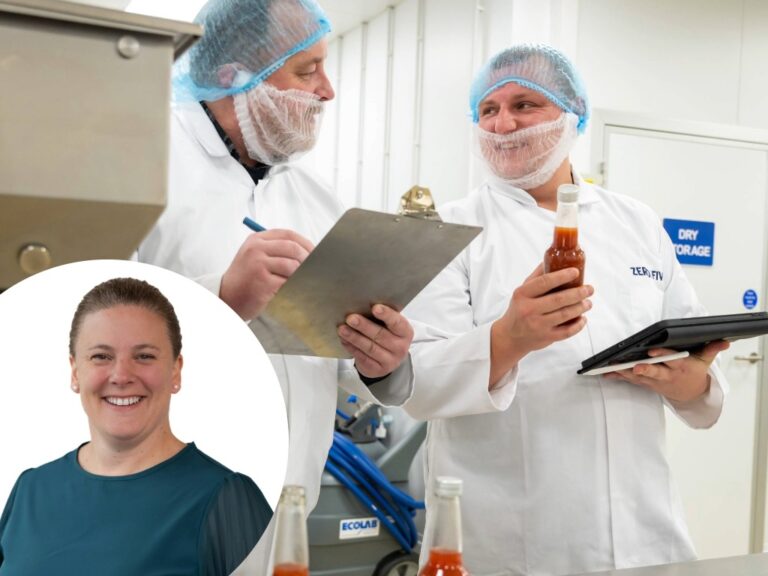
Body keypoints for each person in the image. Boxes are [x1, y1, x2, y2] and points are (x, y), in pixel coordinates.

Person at [403, 44, 730, 576]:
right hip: (512, 544)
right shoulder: (444, 231)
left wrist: (686, 382)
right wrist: (510, 337)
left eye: (525, 104)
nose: (502, 123)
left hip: (648, 536)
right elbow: (416, 386)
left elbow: (700, 378)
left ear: (573, 113)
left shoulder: (638, 224)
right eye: (487, 110)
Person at [135, 0, 414, 569]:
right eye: (306, 70)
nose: (328, 90)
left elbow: (333, 356)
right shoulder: (144, 164)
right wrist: (220, 298)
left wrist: (378, 356)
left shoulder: (313, 196)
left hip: (281, 511)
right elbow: (74, 321)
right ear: (232, 75)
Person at [0, 277, 272, 575]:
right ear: (75, 372)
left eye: (144, 356)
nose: (121, 375)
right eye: (101, 356)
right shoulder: (31, 489)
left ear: (175, 371)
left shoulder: (226, 500)